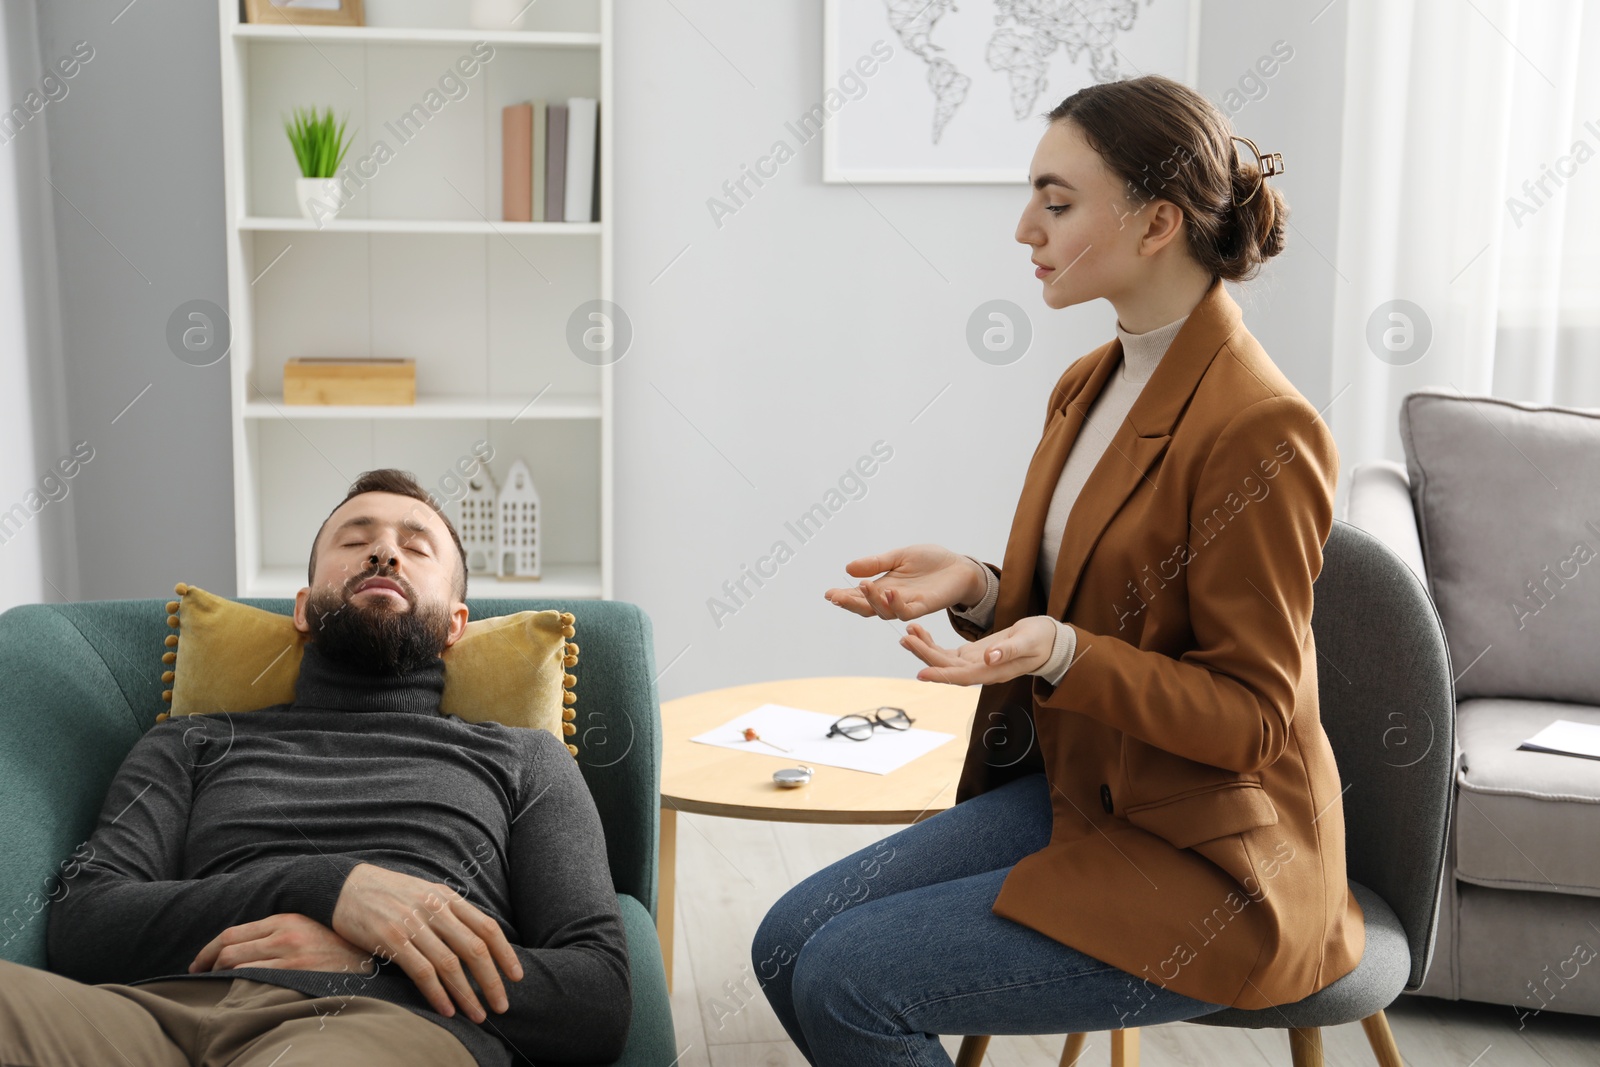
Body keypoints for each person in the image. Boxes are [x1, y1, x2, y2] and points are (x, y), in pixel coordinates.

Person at [752, 74, 1364, 1065]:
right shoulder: (1089, 381)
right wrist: (979, 586)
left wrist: (1065, 651)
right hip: (1089, 791)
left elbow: (1251, 719)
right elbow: (1088, 607)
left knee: (845, 975)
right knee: (787, 939)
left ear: (1157, 220)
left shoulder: (1263, 430)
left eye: (1057, 200)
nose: (1023, 228)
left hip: (1213, 859)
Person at [0, 469, 631, 1066]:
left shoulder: (522, 759)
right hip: (154, 1018)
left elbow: (598, 998)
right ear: (302, 610)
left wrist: (374, 961)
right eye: (356, 540)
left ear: (455, 626)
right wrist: (325, 886)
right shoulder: (190, 743)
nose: (385, 554)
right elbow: (83, 922)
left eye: (417, 549)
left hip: (376, 1025)